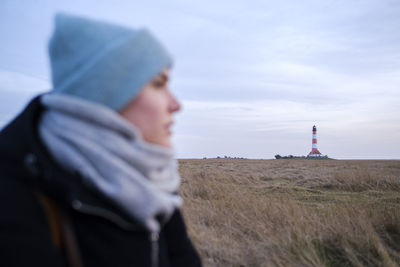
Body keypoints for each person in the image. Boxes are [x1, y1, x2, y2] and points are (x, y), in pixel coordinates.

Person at [0, 13, 202, 267]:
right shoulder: (13, 199)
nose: (176, 104)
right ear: (108, 93)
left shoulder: (153, 177)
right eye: (158, 83)